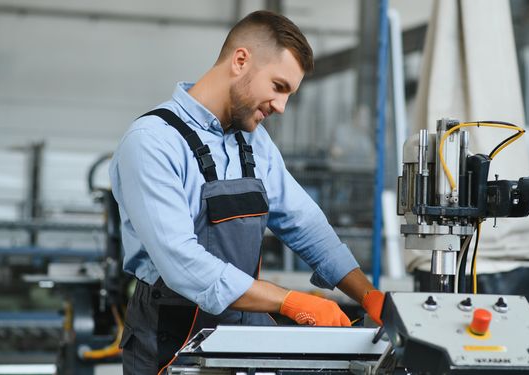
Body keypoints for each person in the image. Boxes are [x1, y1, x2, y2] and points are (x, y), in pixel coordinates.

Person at [109, 10, 385, 374]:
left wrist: (367, 295)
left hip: (244, 330)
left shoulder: (254, 143)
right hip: (169, 337)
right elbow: (183, 264)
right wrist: (288, 301)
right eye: (279, 87)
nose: (281, 107)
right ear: (241, 61)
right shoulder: (152, 143)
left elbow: (304, 223)